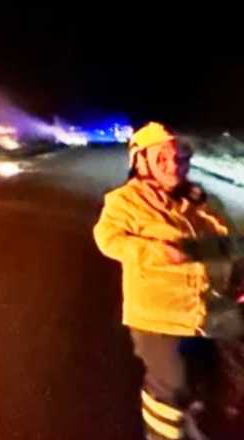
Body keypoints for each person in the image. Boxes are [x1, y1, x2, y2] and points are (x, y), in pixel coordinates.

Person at [94, 122, 240, 440]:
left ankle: (202, 420)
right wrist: (154, 250)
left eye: (179, 157)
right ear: (140, 162)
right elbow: (107, 239)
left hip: (211, 307)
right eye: (161, 158)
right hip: (158, 314)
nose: (173, 165)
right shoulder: (124, 201)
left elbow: (231, 241)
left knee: (225, 377)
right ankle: (162, 433)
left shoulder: (203, 200)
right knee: (171, 384)